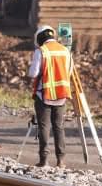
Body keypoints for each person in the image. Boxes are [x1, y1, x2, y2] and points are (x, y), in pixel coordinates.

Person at [28, 25, 72, 167]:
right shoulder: (65, 51)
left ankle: (44, 160)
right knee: (59, 127)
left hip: (44, 95)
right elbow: (69, 72)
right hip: (61, 96)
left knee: (44, 127)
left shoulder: (41, 51)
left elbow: (33, 73)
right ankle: (61, 160)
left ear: (40, 38)